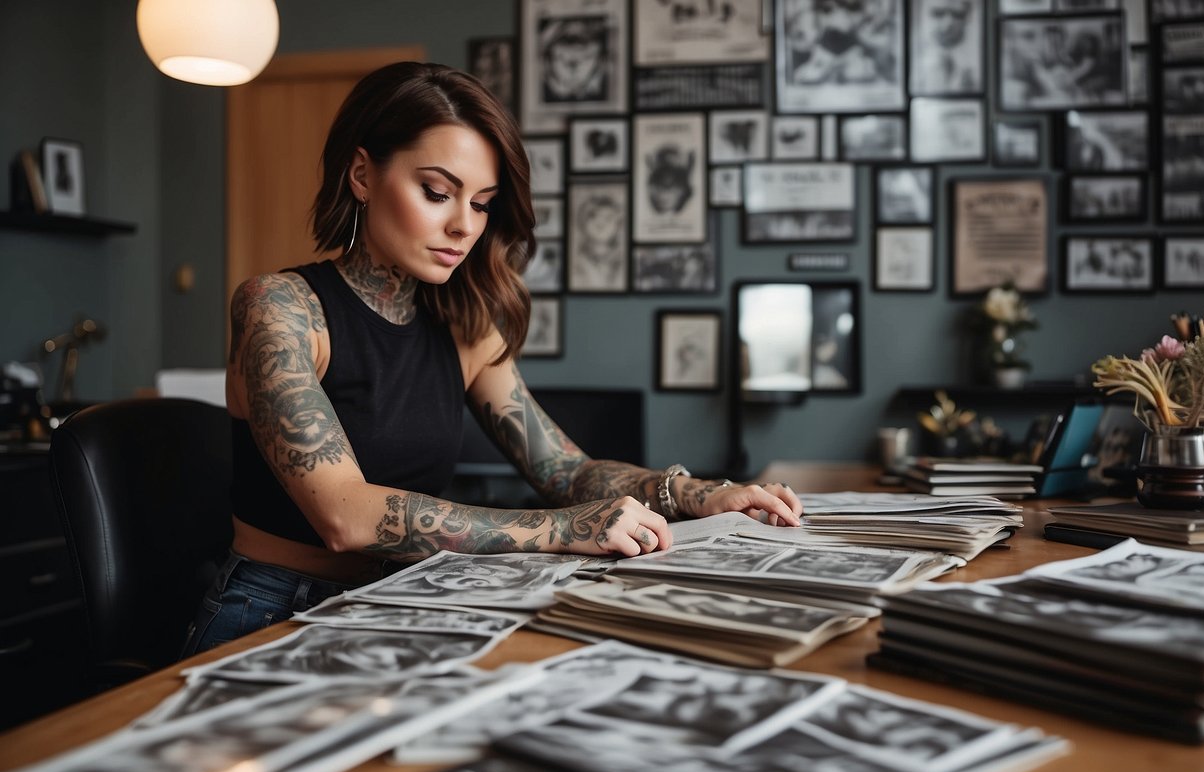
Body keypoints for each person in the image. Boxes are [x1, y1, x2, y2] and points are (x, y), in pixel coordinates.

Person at [182, 62, 801, 656]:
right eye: (436, 192)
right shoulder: (281, 307)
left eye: (481, 204)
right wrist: (566, 531)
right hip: (272, 610)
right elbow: (345, 515)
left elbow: (566, 473)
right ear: (363, 175)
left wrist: (697, 494)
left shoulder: (463, 326)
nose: (463, 226)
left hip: (401, 599)